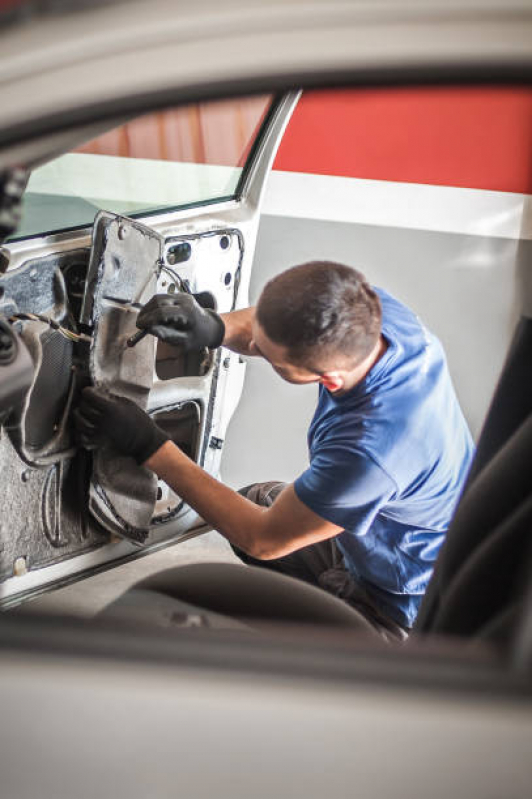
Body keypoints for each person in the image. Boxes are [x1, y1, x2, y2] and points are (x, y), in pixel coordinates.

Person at [75, 261, 474, 639]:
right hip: (375, 543)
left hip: (396, 605)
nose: (251, 346)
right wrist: (213, 327)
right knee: (252, 501)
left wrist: (148, 445)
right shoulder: (370, 312)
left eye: (266, 355)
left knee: (240, 622)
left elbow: (263, 539)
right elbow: (259, 325)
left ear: (329, 379)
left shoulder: (370, 452)